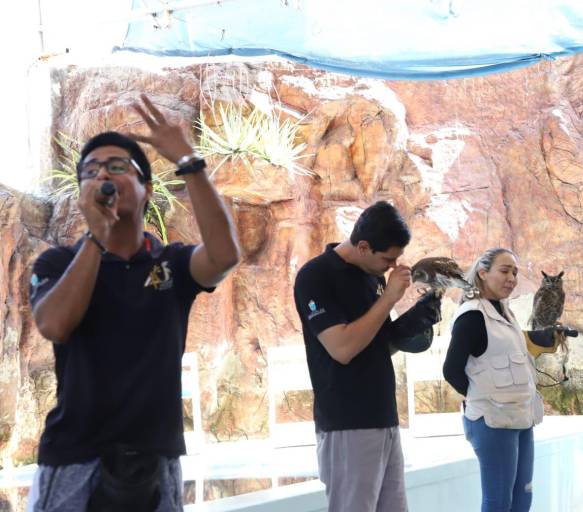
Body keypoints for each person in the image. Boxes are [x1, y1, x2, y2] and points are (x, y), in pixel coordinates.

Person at [27, 94, 241, 511]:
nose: (103, 174)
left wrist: (190, 162)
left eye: (118, 166)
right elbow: (54, 325)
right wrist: (97, 237)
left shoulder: (171, 264)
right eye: (91, 171)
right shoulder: (59, 262)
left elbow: (223, 257)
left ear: (147, 190)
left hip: (155, 459)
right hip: (75, 457)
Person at [293, 200, 442, 512]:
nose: (392, 266)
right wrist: (388, 298)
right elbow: (343, 348)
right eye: (387, 258)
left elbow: (376, 344)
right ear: (363, 246)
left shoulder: (371, 275)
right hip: (347, 421)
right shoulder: (316, 276)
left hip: (384, 417)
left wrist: (412, 321)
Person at [442, 248, 565, 512]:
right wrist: (483, 398)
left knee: (522, 498)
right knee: (498, 502)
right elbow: (452, 370)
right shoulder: (472, 315)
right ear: (483, 273)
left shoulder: (505, 311)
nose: (511, 278)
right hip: (492, 421)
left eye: (515, 273)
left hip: (521, 417)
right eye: (505, 271)